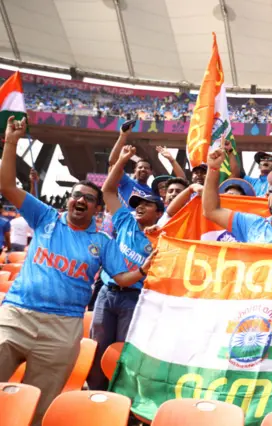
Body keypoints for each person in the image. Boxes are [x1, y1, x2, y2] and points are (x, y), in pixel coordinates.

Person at [0, 116, 155, 425]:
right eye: (76, 195)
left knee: (37, 408)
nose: (81, 200)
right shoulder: (45, 217)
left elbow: (123, 277)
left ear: (97, 210)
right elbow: (6, 185)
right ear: (68, 201)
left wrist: (143, 270)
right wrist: (11, 141)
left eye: (89, 198)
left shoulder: (102, 241)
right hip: (16, 317)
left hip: (63, 329)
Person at [87, 145, 163, 391]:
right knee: (97, 349)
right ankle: (95, 398)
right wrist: (121, 160)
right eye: (136, 203)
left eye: (146, 204)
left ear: (159, 213)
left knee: (122, 351)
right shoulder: (125, 220)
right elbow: (108, 189)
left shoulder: (161, 238)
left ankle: (118, 400)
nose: (139, 206)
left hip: (134, 299)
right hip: (106, 295)